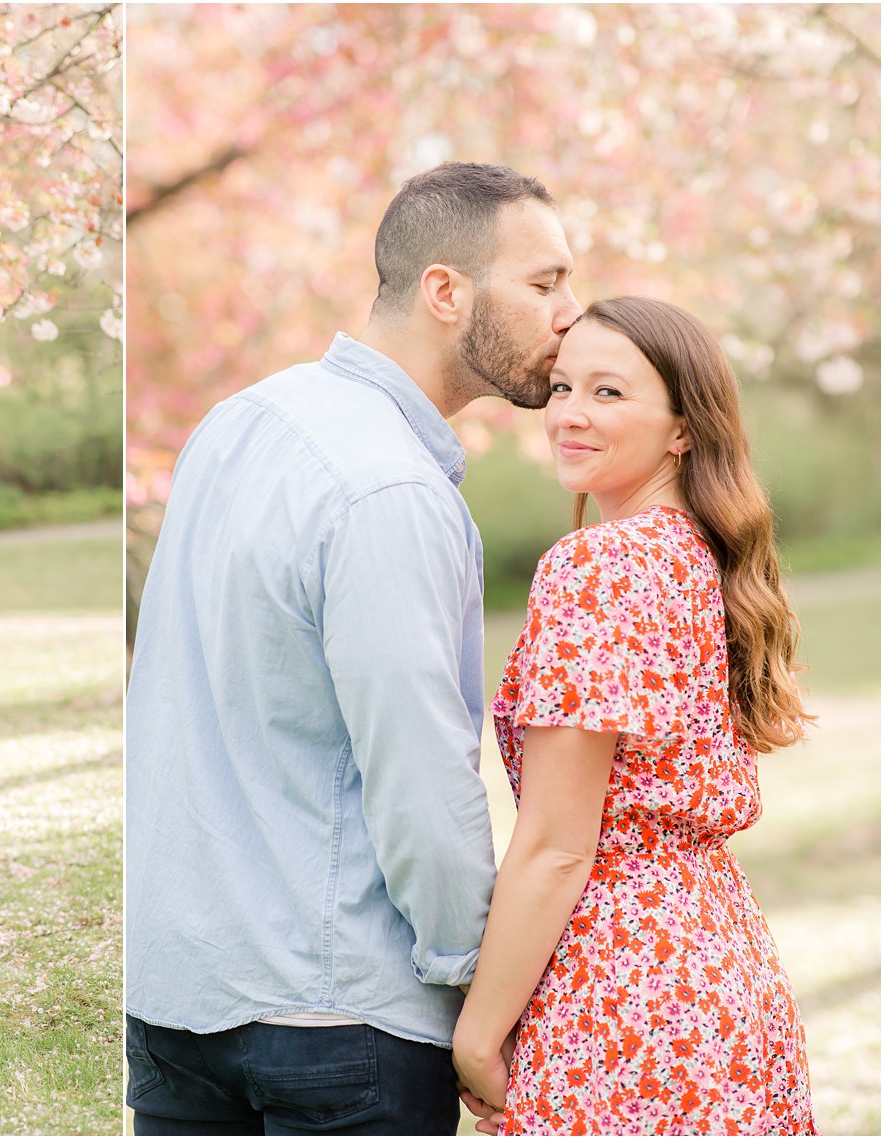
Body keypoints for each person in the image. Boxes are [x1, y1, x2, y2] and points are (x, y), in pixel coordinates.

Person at [124, 162, 582, 1134]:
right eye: (544, 282)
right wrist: (472, 990)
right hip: (337, 1018)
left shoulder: (234, 424)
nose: (569, 314)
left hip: (174, 996)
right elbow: (418, 772)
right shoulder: (389, 489)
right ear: (444, 291)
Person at [452, 297, 816, 1135]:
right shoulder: (701, 557)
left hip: (622, 996)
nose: (569, 415)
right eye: (564, 387)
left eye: (609, 393)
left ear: (684, 428)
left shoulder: (601, 566)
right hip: (723, 974)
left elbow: (556, 843)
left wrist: (477, 1033)